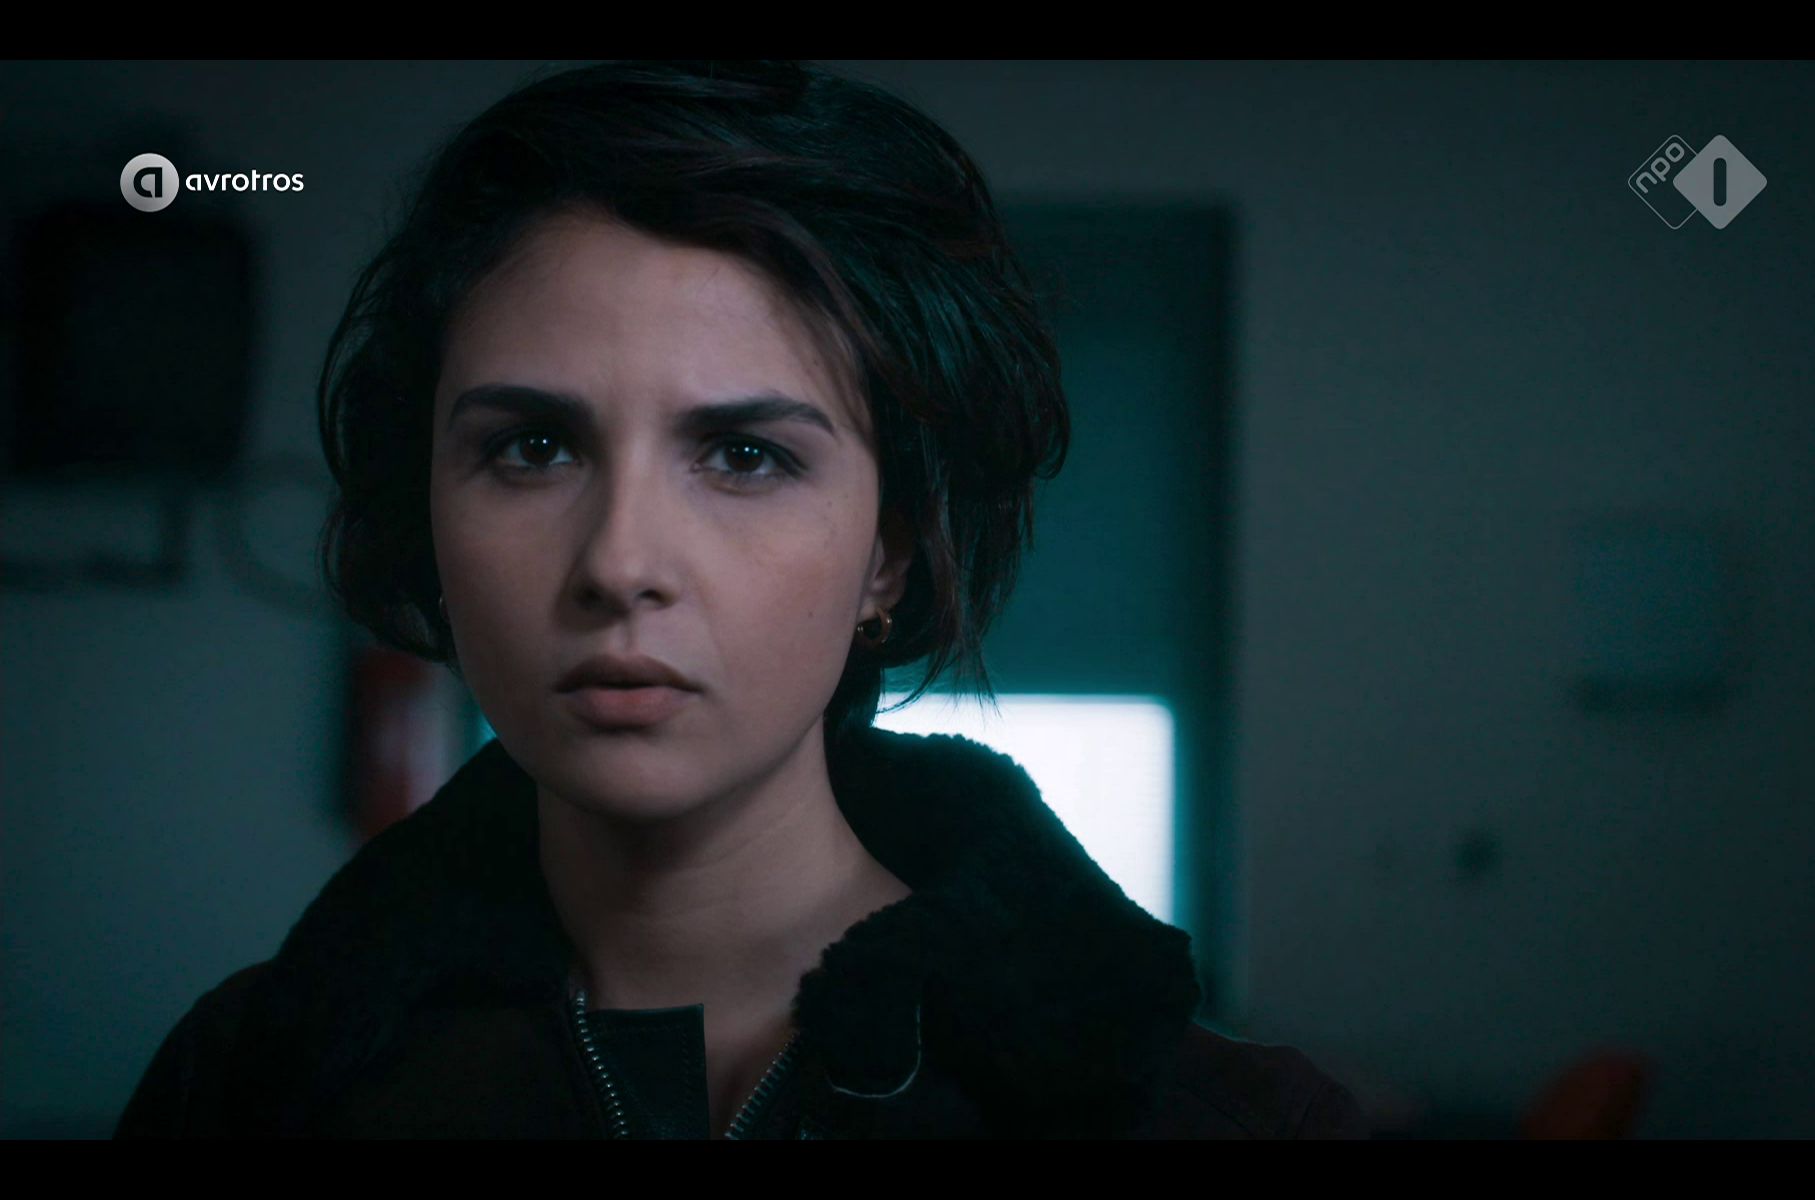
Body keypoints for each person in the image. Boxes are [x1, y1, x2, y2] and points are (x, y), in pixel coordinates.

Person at [114, 59, 1369, 1139]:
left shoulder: (1216, 1118)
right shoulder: (250, 1086)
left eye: (746, 456)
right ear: (427, 510)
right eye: (532, 448)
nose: (620, 564)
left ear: (888, 555)